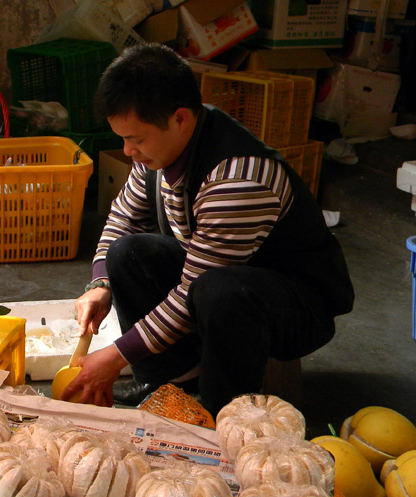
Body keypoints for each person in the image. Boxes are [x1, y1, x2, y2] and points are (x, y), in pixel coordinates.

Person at [61, 44, 354, 415]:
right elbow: (122, 219)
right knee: (127, 253)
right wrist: (100, 285)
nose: (128, 151)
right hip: (215, 277)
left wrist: (115, 356)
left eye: (136, 139)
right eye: (124, 139)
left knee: (218, 290)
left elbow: (190, 294)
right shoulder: (159, 149)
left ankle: (223, 409)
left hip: (296, 303)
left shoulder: (238, 180)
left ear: (180, 119)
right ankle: (169, 381)